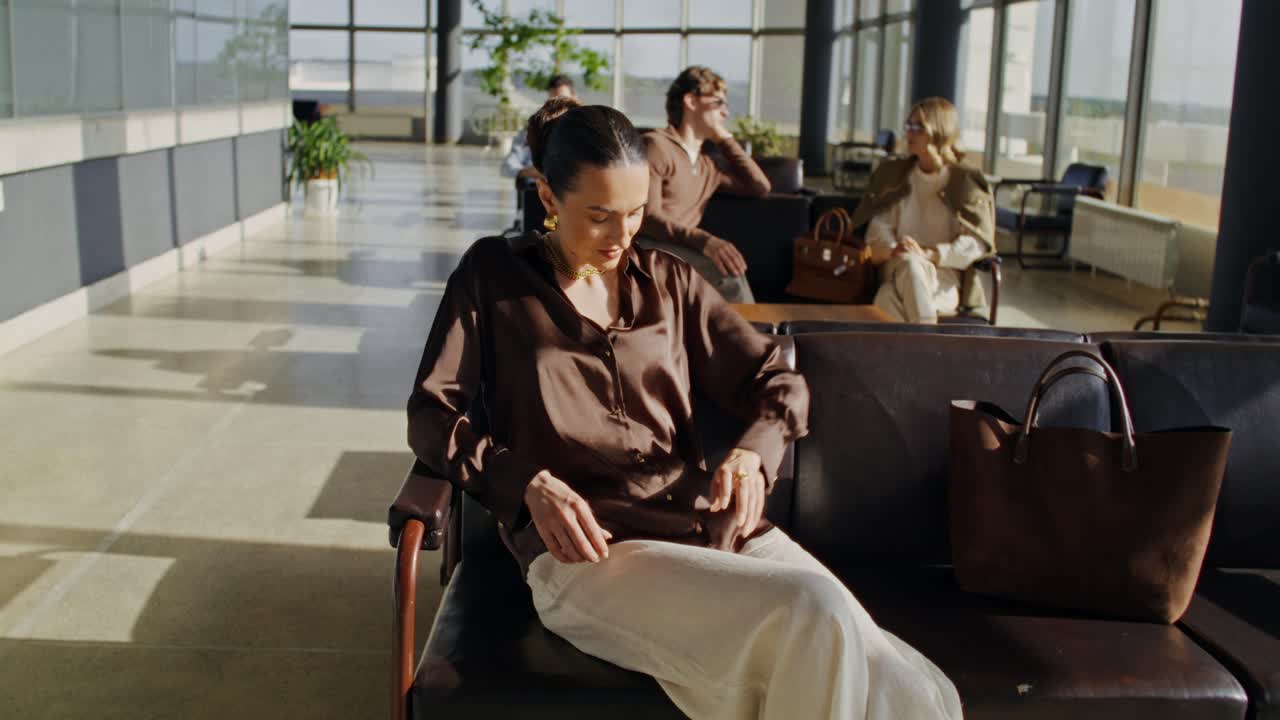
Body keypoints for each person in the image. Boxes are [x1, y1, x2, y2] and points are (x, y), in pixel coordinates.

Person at [407, 101, 962, 720]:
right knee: (816, 611)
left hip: (709, 525)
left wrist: (753, 454)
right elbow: (432, 413)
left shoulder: (670, 284)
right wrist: (525, 483)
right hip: (592, 554)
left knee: (909, 686)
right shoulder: (492, 277)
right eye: (599, 216)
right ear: (547, 198)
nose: (621, 236)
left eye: (636, 212)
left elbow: (777, 379)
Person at [848, 97, 996, 323]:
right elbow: (879, 228)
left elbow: (975, 243)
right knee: (909, 263)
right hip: (896, 265)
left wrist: (930, 254)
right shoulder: (897, 176)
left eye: (918, 127)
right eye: (908, 125)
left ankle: (916, 339)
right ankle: (928, 337)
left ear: (940, 130)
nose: (909, 132)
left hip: (942, 279)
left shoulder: (964, 181)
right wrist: (896, 249)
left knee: (885, 298)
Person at [638, 66, 771, 304]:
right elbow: (649, 218)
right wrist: (706, 241)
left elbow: (760, 186)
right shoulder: (656, 146)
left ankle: (756, 328)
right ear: (691, 101)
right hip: (647, 248)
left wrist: (724, 139)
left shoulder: (708, 167)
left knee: (729, 269)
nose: (726, 112)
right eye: (719, 102)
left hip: (682, 251)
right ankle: (756, 330)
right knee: (727, 274)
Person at [501, 74, 577, 180]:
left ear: (574, 98)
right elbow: (507, 167)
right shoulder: (533, 131)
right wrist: (532, 172)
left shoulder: (585, 132)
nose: (557, 107)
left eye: (562, 100)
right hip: (536, 187)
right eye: (552, 101)